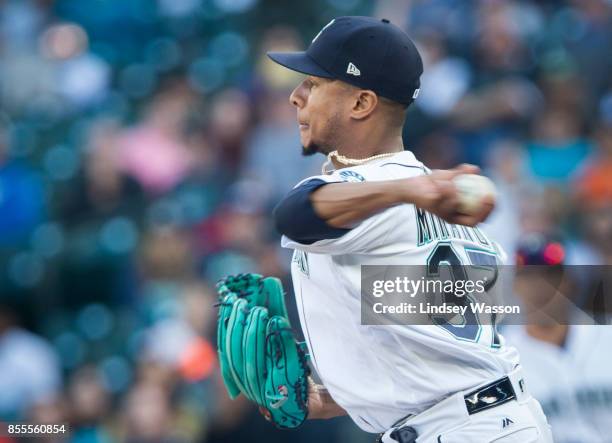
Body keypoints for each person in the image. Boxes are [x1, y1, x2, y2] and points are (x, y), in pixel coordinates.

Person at [268, 16, 552, 442]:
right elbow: (434, 352)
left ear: (361, 104)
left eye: (313, 84)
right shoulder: (433, 198)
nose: (295, 97)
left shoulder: (381, 194)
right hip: (484, 423)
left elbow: (294, 215)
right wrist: (345, 395)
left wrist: (407, 191)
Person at [504, 234, 612, 443]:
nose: (539, 287)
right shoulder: (502, 359)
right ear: (515, 286)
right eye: (528, 277)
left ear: (570, 282)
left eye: (550, 275)